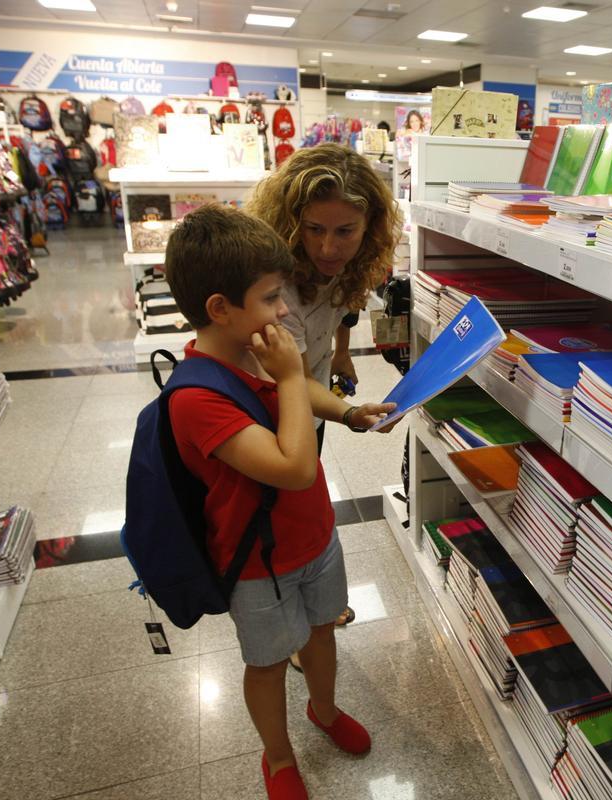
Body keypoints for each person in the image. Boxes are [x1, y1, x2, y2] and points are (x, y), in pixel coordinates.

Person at [163, 204, 394, 800]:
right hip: (257, 563)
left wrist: (345, 410)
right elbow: (293, 467)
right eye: (270, 297)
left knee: (323, 632)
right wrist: (291, 378)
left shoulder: (253, 351)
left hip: (314, 536)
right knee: (266, 663)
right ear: (221, 309)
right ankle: (279, 756)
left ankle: (323, 708)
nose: (285, 309)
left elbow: (301, 397)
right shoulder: (196, 397)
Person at [246, 142, 403, 666]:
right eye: (314, 229)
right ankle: (292, 624)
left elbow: (344, 305)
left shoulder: (352, 264)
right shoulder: (272, 279)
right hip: (263, 406)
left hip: (308, 393)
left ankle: (316, 600)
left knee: (305, 493)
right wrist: (350, 413)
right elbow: (281, 375)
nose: (329, 247)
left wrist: (339, 355)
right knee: (276, 509)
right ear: (291, 222)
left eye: (345, 232)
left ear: (369, 228)